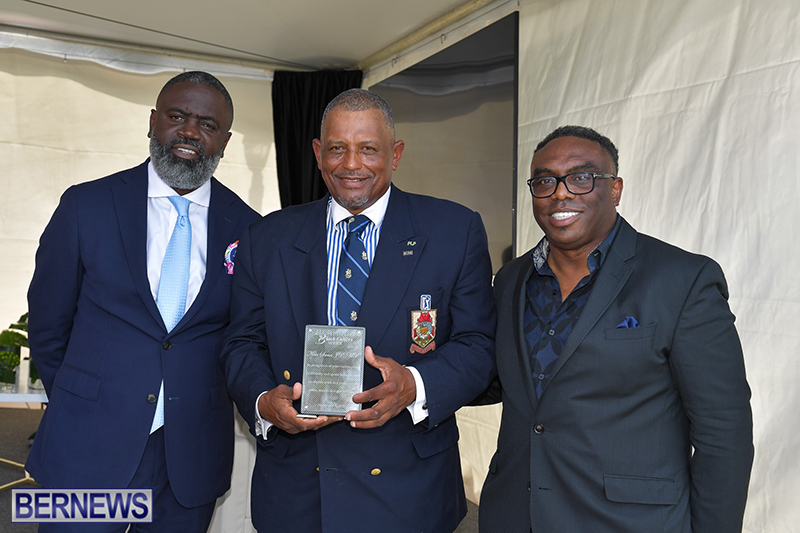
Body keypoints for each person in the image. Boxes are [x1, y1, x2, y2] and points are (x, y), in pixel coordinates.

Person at [220, 88, 496, 532]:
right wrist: (263, 403)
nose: (352, 165)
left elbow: (478, 344)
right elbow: (241, 343)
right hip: (298, 490)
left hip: (409, 490)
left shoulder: (453, 230)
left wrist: (415, 384)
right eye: (337, 149)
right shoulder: (266, 238)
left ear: (396, 153)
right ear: (317, 153)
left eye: (368, 149)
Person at [478, 125, 754, 533]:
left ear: (616, 189)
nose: (560, 193)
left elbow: (723, 433)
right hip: (515, 515)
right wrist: (418, 378)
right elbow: (502, 380)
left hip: (626, 520)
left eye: (581, 178)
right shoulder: (511, 280)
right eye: (544, 180)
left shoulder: (682, 280)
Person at [26, 71, 260, 531]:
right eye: (177, 116)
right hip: (87, 448)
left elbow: (246, 335)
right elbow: (49, 324)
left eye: (208, 125)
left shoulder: (250, 229)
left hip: (189, 458)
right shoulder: (86, 206)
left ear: (225, 141)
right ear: (153, 121)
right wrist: (85, 400)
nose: (190, 132)